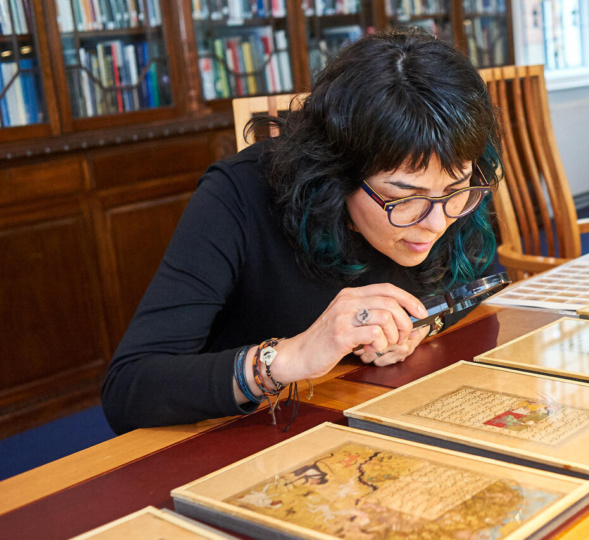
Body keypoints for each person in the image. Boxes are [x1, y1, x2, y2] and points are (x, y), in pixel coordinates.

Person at [101, 29, 502, 434]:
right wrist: (289, 358)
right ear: (336, 174)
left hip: (374, 418)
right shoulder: (239, 195)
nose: (435, 223)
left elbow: (480, 281)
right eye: (403, 198)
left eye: (456, 189)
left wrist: (422, 325)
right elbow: (130, 389)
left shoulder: (456, 188)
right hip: (250, 443)